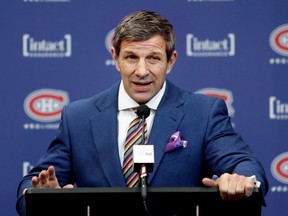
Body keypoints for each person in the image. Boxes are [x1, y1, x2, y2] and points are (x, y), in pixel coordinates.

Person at [16, 10, 268, 215]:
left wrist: (241, 179)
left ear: (171, 61)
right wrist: (41, 195)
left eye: (154, 58)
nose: (141, 70)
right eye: (131, 57)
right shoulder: (78, 117)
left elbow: (244, 164)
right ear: (115, 58)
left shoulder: (203, 112)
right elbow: (32, 185)